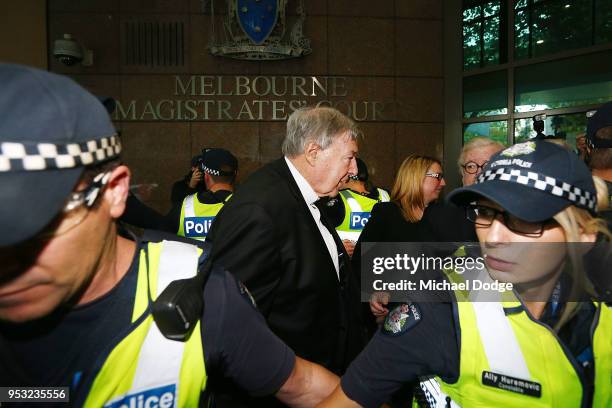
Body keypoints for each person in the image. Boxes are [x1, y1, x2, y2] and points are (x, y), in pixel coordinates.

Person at [0, 64, 339, 407]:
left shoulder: (205, 294)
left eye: (40, 226)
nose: (8, 268)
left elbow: (300, 382)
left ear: (115, 192)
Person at [318, 140, 612, 408]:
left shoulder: (603, 314)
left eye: (523, 219)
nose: (493, 237)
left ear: (583, 235)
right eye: (485, 213)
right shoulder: (440, 313)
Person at [206, 106, 365, 387]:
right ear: (314, 152)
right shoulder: (259, 211)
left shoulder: (306, 196)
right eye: (350, 157)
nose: (354, 170)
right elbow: (231, 326)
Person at [420, 137, 505, 243]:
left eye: (488, 165)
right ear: (462, 176)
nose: (479, 173)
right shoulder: (437, 217)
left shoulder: (525, 215)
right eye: (471, 166)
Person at [325, 158, 390, 257]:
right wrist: (336, 247)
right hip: (352, 267)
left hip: (382, 264)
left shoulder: (387, 196)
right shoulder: (335, 199)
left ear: (351, 174)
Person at [176, 148, 236, 241]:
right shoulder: (248, 205)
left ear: (206, 176)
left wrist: (190, 189)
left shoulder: (185, 206)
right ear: (235, 174)